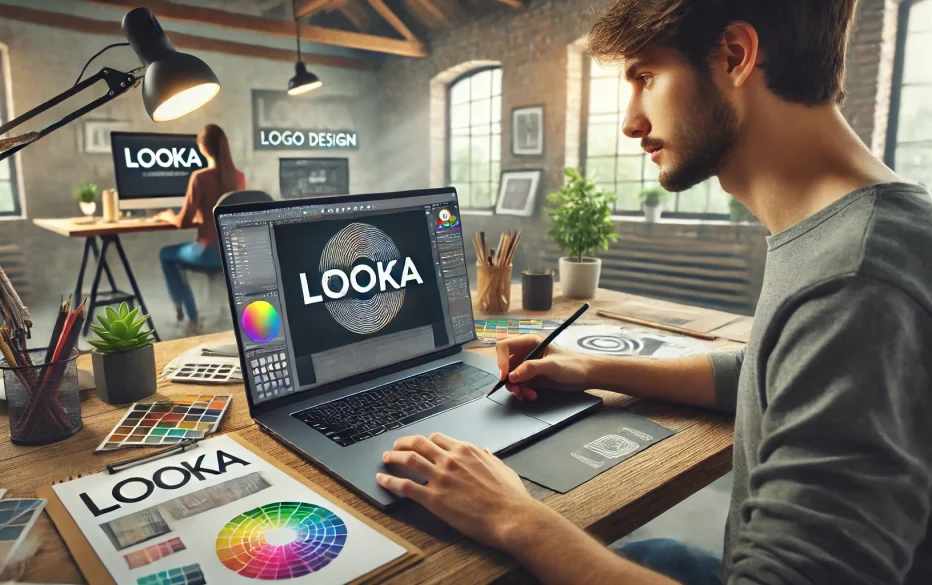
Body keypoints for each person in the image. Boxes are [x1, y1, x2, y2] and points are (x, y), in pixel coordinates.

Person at [375, 1, 932, 584]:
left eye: (645, 77)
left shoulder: (855, 283)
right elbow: (771, 374)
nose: (631, 122)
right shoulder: (852, 232)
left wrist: (514, 517)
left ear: (736, 57)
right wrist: (588, 367)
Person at [156, 124, 245, 335]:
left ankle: (190, 317)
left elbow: (182, 221)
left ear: (203, 148)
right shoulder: (239, 177)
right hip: (234, 254)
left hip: (208, 252)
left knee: (166, 255)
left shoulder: (200, 177)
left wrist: (167, 215)